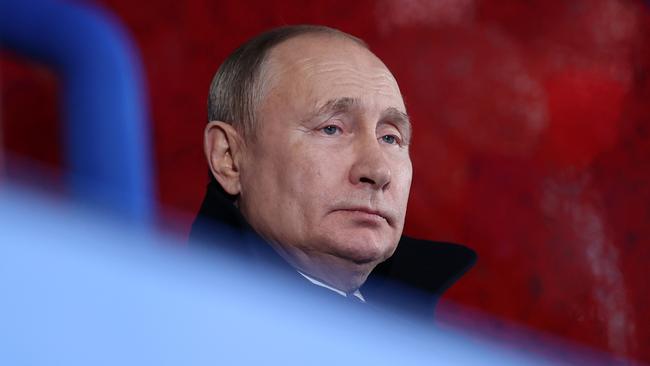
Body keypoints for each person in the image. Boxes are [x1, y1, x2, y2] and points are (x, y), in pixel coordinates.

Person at [190, 25, 476, 317]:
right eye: (331, 129)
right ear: (229, 157)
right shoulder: (182, 327)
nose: (377, 171)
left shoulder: (458, 322)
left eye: (390, 137)